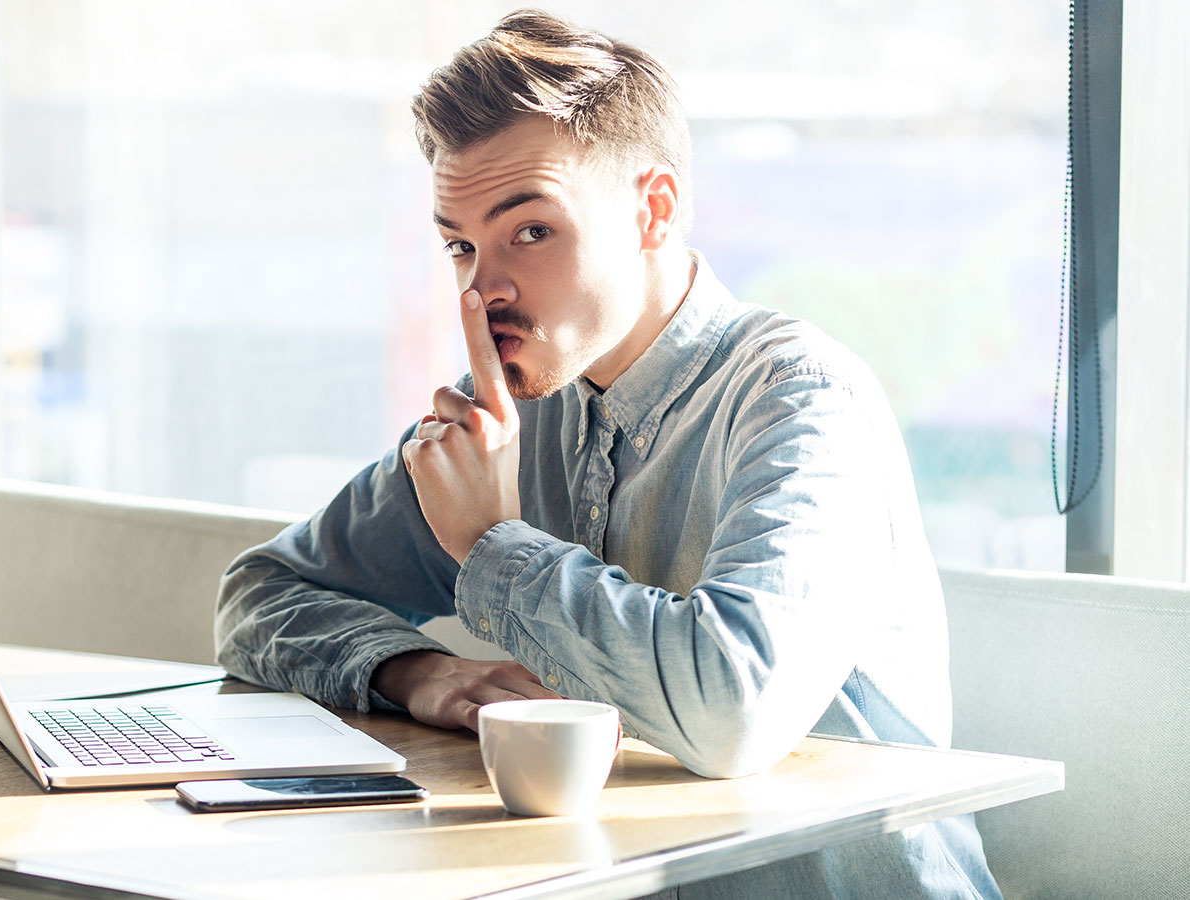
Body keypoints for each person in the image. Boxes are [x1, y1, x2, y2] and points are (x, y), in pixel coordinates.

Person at [215, 9, 1000, 899]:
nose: (484, 288)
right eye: (460, 245)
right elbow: (261, 594)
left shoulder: (802, 399)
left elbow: (729, 709)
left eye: (531, 231)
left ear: (652, 210)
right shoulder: (508, 411)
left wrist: (489, 545)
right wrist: (418, 672)